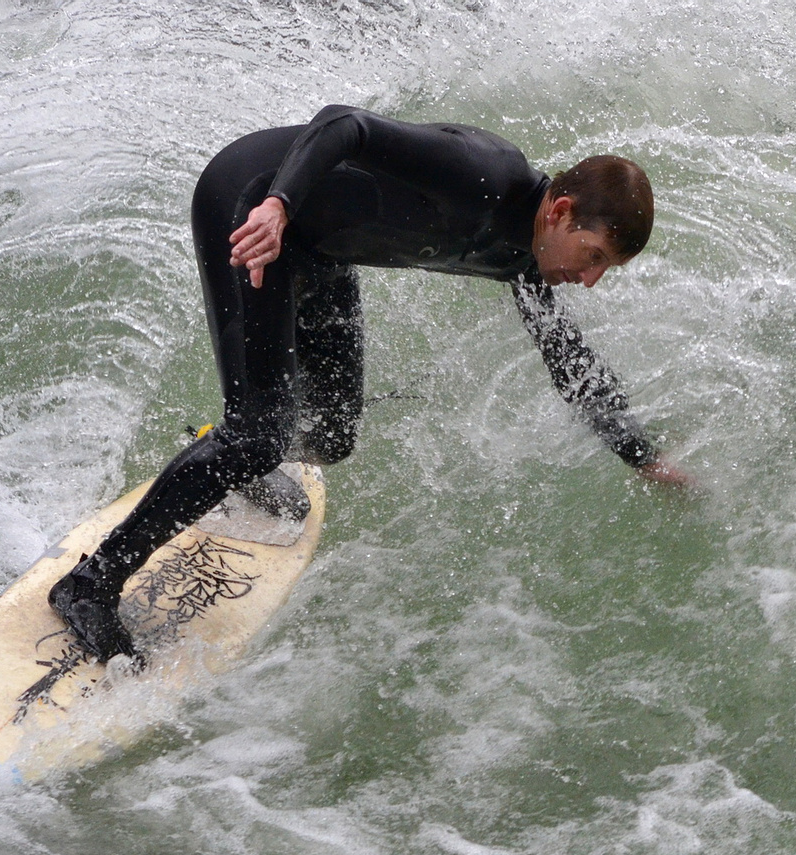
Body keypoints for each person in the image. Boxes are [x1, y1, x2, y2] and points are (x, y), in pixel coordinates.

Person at [49, 104, 692, 661]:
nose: (591, 279)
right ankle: (90, 584)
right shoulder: (489, 175)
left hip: (320, 249)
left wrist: (643, 457)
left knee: (330, 435)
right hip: (252, 206)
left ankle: (230, 451)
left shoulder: (527, 258)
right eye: (596, 256)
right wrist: (276, 206)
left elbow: (566, 357)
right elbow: (343, 125)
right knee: (261, 433)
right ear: (561, 210)